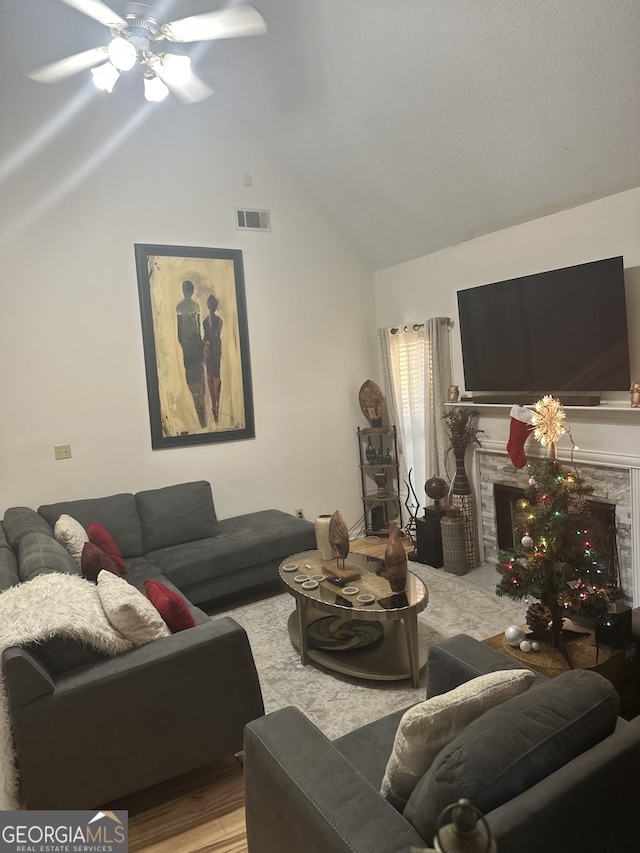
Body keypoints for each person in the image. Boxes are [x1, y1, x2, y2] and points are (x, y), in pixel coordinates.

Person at [176, 280, 206, 427]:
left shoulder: (180, 306)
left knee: (190, 369)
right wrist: (199, 341)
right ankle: (199, 396)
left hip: (187, 343)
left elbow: (179, 329)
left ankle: (194, 396)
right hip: (194, 341)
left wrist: (181, 341)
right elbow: (198, 325)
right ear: (192, 291)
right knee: (197, 368)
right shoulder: (195, 306)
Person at [203, 293, 223, 423]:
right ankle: (214, 406)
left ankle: (216, 406)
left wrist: (206, 343)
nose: (211, 307)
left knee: (214, 378)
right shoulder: (206, 321)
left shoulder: (217, 321)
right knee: (212, 378)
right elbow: (210, 336)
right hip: (211, 352)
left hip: (214, 352)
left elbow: (214, 336)